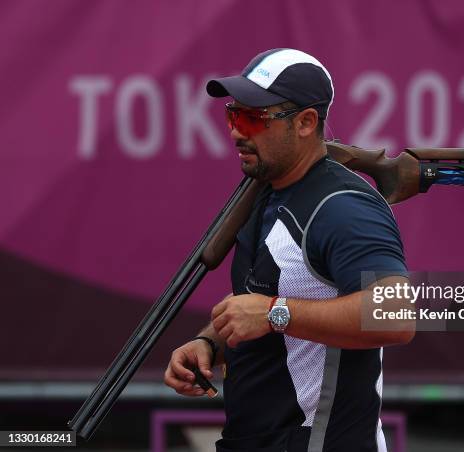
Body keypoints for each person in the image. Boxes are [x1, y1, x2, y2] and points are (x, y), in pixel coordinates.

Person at [164, 48, 414, 452]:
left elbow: (395, 314)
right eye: (232, 114)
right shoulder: (267, 189)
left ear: (306, 122)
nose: (236, 131)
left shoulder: (343, 206)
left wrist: (274, 313)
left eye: (253, 119)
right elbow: (269, 294)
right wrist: (211, 343)